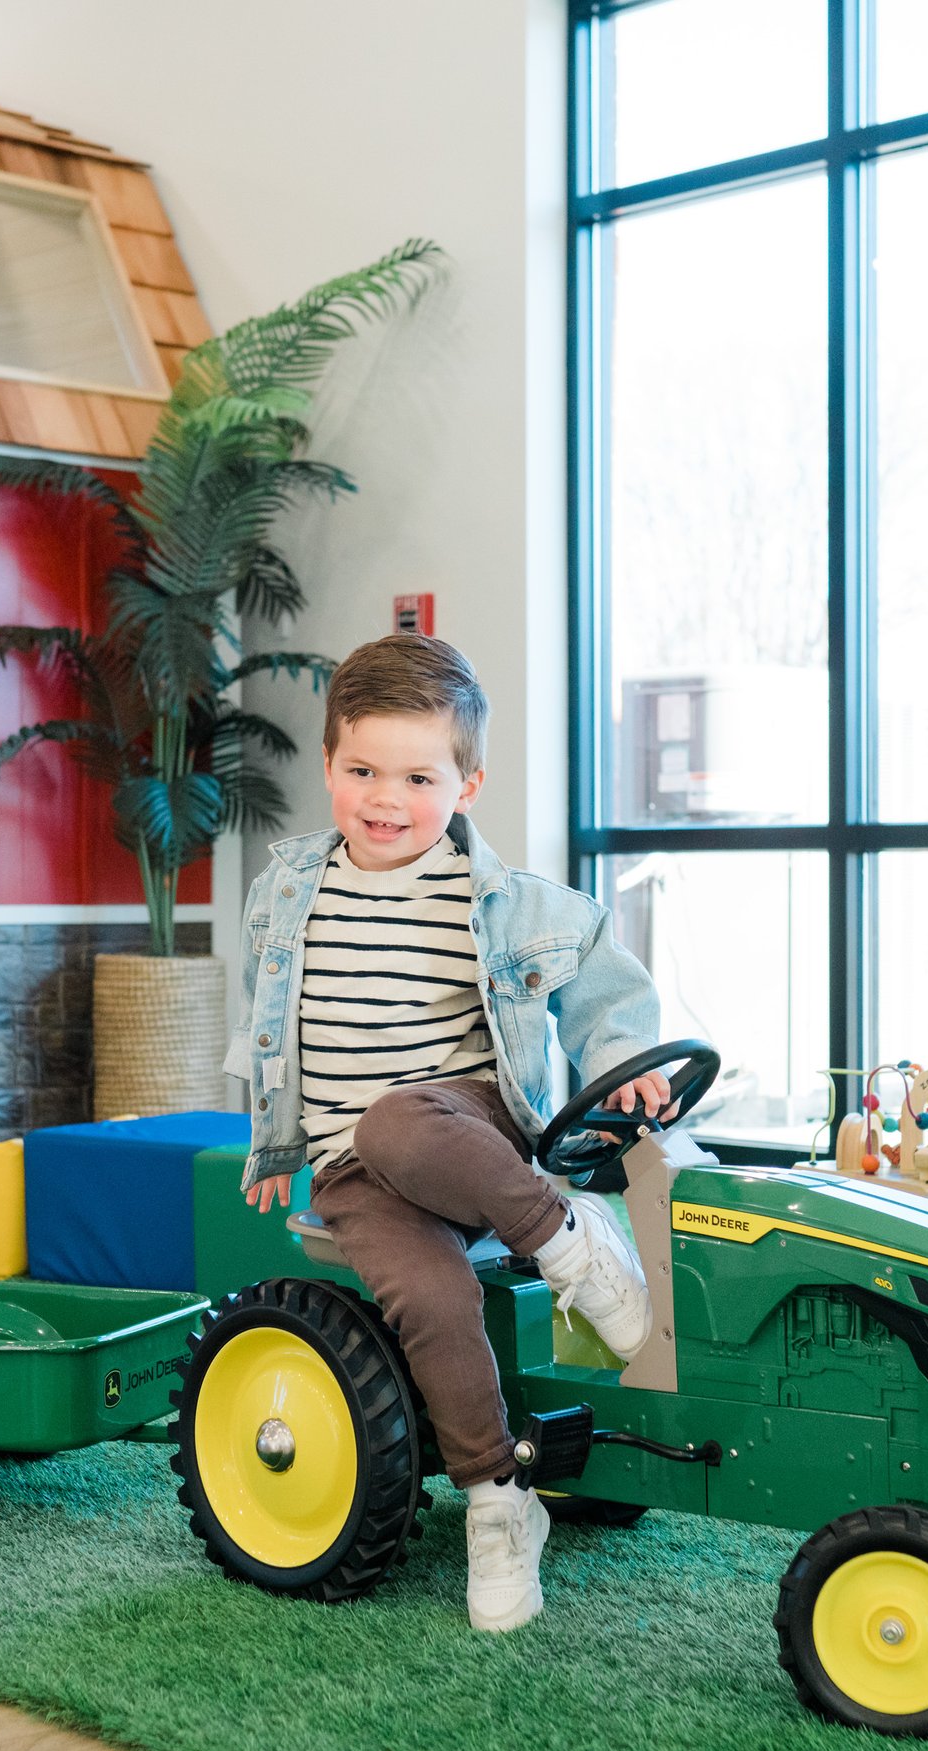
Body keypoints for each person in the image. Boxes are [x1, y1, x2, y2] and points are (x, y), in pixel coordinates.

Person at [227, 633, 674, 1632]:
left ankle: (572, 1245)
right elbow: (265, 1017)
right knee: (430, 1297)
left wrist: (618, 1068)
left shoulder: (497, 903)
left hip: (456, 1128)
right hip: (353, 1168)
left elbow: (600, 976)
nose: (384, 798)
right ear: (331, 764)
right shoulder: (289, 892)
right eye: (361, 771)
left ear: (467, 783)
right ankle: (496, 1501)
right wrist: (275, 1142)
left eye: (416, 776)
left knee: (402, 1120)